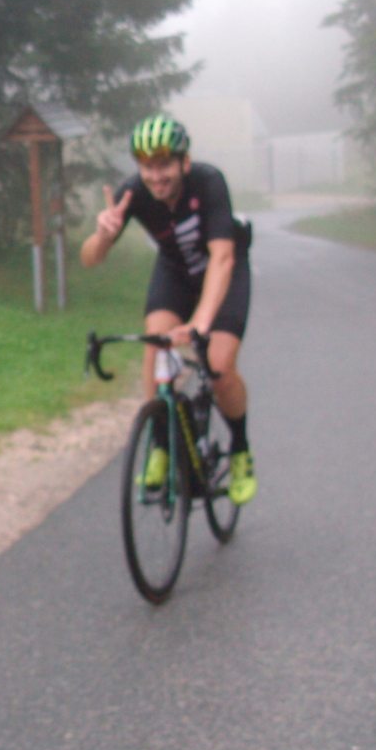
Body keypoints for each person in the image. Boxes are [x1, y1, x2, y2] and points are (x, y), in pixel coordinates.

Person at [79, 114, 256, 504]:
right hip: (176, 270)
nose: (155, 176)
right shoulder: (134, 193)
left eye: (164, 165)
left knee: (220, 366)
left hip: (222, 271)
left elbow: (222, 257)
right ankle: (161, 444)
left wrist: (200, 323)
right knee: (155, 347)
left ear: (184, 162)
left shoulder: (208, 182)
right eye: (147, 167)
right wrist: (103, 236)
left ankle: (240, 450)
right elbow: (89, 259)